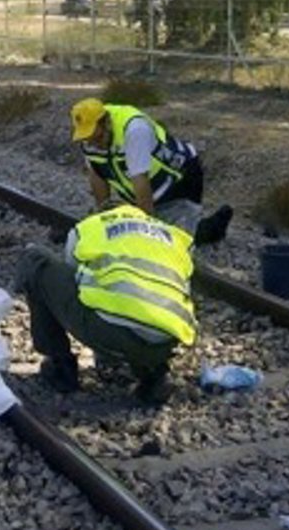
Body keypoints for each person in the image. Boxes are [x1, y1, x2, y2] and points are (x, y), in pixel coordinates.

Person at [14, 203, 197, 405]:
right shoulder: (172, 236)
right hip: (166, 342)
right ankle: (154, 375)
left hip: (112, 334)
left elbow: (75, 284)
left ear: (102, 213)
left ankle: (60, 368)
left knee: (35, 261)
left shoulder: (90, 228)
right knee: (150, 302)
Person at [70, 98, 233, 246]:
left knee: (175, 245)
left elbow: (141, 182)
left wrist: (146, 233)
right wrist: (103, 219)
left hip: (180, 181)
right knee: (146, 236)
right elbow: (97, 175)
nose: (93, 143)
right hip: (148, 189)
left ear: (106, 123)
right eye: (87, 139)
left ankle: (215, 228)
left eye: (97, 138)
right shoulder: (88, 138)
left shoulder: (134, 130)